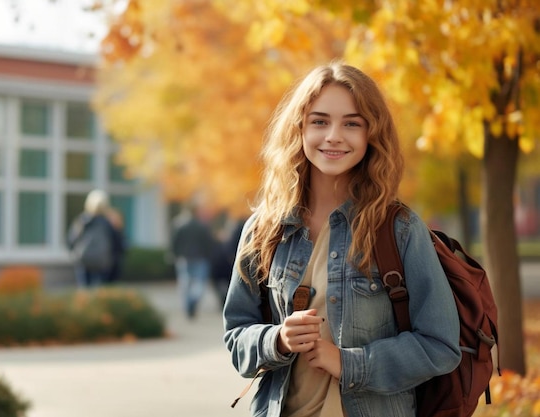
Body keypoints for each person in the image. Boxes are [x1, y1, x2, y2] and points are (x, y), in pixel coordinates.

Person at [222, 61, 461, 417]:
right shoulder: (263, 229)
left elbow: (440, 345)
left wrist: (350, 364)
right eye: (319, 121)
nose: (333, 135)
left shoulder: (399, 229)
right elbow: (236, 334)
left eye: (352, 123)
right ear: (299, 129)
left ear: (372, 135)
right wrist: (277, 340)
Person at [67, 189, 123, 288]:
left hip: (84, 260)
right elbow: (117, 243)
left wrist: (73, 253)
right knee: (101, 291)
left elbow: (71, 240)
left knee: (84, 290)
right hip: (103, 262)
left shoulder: (82, 221)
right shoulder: (107, 223)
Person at [171, 205, 215, 319]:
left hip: (184, 258)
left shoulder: (181, 226)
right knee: (199, 283)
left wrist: (175, 255)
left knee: (185, 283)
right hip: (201, 258)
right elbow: (209, 244)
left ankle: (188, 305)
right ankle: (193, 300)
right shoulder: (202, 227)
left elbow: (175, 242)